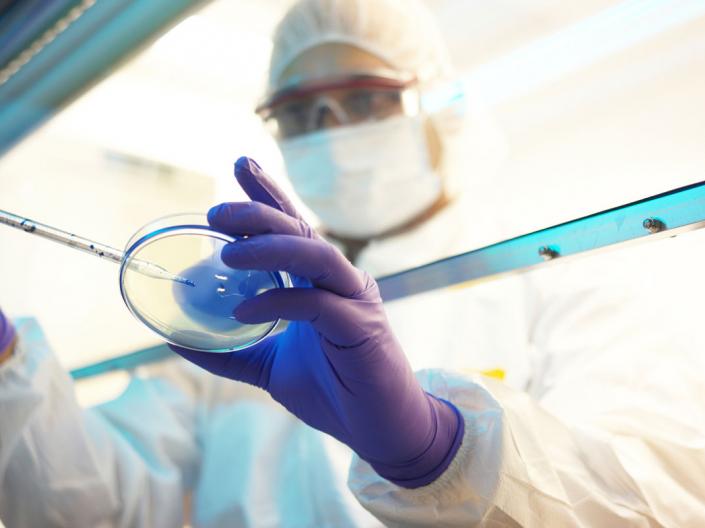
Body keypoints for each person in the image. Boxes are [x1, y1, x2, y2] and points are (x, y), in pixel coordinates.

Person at [2, 0, 705, 527]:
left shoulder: (559, 276)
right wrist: (6, 364)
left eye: (365, 98)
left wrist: (440, 453)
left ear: (436, 108)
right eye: (300, 114)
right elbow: (98, 504)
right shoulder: (245, 305)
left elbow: (656, 497)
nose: (330, 133)